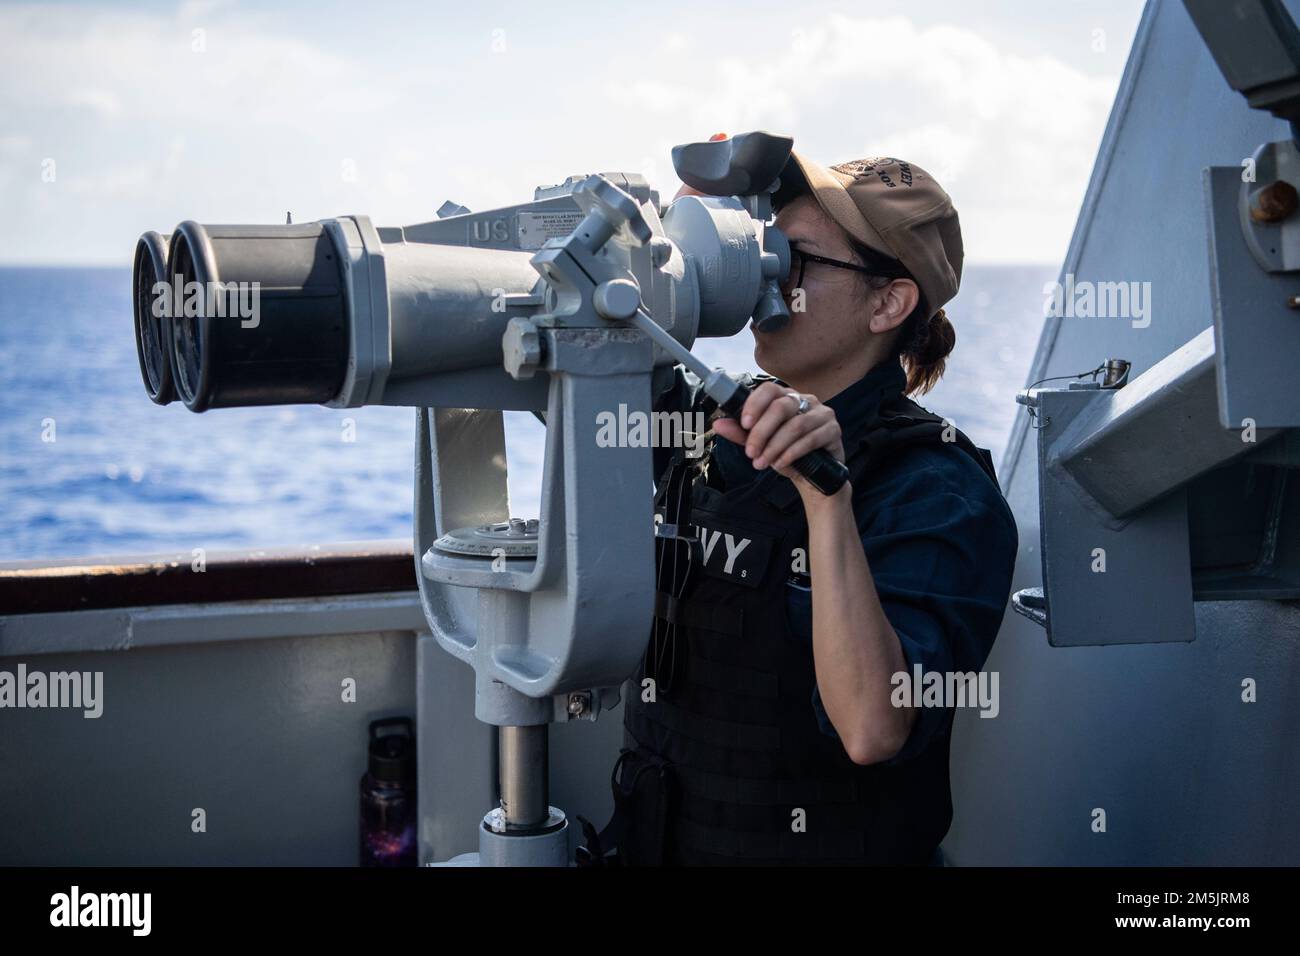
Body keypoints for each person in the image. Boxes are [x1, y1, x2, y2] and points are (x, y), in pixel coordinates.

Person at [579, 145, 1018, 866]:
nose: (766, 275)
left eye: (795, 259)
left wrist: (826, 498)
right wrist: (665, 238)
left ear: (889, 302)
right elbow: (581, 348)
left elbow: (874, 727)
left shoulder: (938, 490)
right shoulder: (704, 428)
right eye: (764, 249)